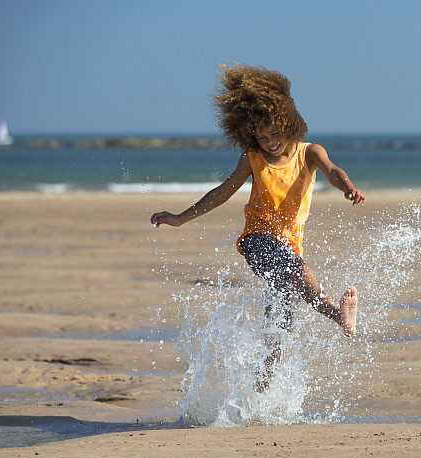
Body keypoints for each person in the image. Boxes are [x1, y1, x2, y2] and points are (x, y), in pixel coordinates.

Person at [150, 64, 364, 391]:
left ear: (288, 122)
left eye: (274, 133)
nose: (269, 143)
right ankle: (339, 315)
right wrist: (179, 218)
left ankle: (257, 400)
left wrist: (347, 187)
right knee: (298, 272)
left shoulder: (310, 153)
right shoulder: (253, 158)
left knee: (278, 329)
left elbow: (333, 170)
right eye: (261, 137)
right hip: (257, 242)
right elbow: (222, 192)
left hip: (290, 248)